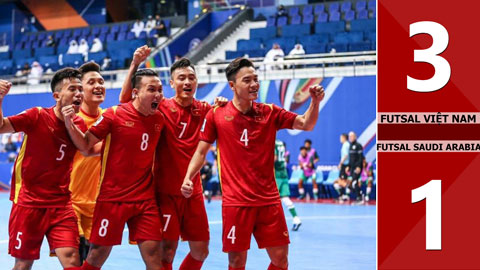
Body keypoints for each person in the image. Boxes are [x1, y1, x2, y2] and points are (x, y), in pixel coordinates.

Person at [181, 57, 325, 270]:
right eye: (247, 80)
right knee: (236, 261)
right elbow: (201, 151)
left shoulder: (269, 112)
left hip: (269, 201)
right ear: (232, 85)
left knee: (280, 259)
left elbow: (306, 124)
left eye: (256, 79)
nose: (254, 84)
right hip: (236, 203)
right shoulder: (217, 114)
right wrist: (188, 178)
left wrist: (314, 101)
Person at [119, 46, 226, 270]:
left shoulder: (206, 109)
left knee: (201, 250)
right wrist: (135, 64)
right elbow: (126, 98)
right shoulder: (160, 108)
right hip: (165, 193)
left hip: (193, 192)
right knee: (167, 251)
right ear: (171, 83)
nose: (187, 82)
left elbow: (226, 114)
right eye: (181, 78)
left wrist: (224, 103)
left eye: (191, 78)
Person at [63, 68, 165, 270]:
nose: (158, 95)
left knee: (154, 256)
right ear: (136, 92)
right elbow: (86, 146)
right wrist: (69, 122)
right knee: (97, 255)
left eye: (160, 90)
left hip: (145, 200)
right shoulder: (114, 114)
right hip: (112, 199)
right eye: (151, 89)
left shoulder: (159, 119)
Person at [0, 68, 87, 270]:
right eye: (72, 88)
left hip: (62, 204)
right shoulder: (37, 115)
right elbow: (1, 127)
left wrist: (69, 123)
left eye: (80, 89)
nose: (79, 94)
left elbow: (86, 147)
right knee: (23, 264)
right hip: (29, 204)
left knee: (73, 260)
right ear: (57, 96)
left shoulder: (78, 123)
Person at [68, 62, 106, 263]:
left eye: (101, 81)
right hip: (71, 201)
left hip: (98, 204)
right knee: (76, 258)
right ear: (80, 90)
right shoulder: (71, 120)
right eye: (91, 82)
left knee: (92, 260)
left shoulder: (110, 117)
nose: (98, 85)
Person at [275, 140, 301, 231]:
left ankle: (274, 224)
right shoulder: (280, 143)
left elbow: (274, 158)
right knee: (285, 198)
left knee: (272, 200)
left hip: (276, 175)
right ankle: (296, 219)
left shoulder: (272, 142)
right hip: (283, 173)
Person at [348, 131, 364, 203]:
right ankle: (360, 195)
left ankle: (359, 198)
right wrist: (348, 166)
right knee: (352, 184)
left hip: (357, 168)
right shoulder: (350, 146)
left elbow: (360, 157)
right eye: (349, 137)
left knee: (354, 182)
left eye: (352, 136)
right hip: (351, 168)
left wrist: (358, 166)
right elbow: (350, 158)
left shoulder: (358, 145)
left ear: (355, 137)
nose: (350, 138)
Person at [334, 133, 350, 201]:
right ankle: (342, 195)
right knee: (338, 182)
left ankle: (346, 194)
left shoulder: (346, 145)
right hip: (344, 165)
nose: (340, 139)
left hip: (345, 165)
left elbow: (346, 155)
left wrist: (341, 163)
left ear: (344, 138)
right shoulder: (345, 145)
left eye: (341, 138)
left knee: (341, 182)